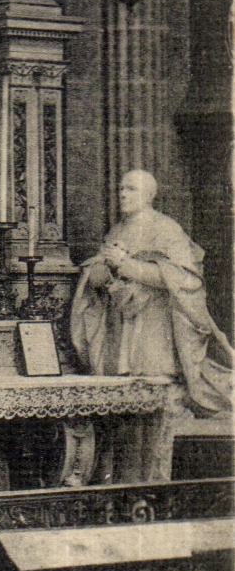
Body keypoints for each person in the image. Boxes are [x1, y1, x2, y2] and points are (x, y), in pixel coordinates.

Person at [70, 170, 232, 416]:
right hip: (120, 323)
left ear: (149, 195)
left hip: (155, 327)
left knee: (157, 394)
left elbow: (183, 280)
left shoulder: (166, 229)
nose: (122, 194)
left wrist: (127, 265)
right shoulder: (116, 231)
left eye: (130, 189)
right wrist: (105, 269)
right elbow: (96, 280)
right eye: (121, 189)